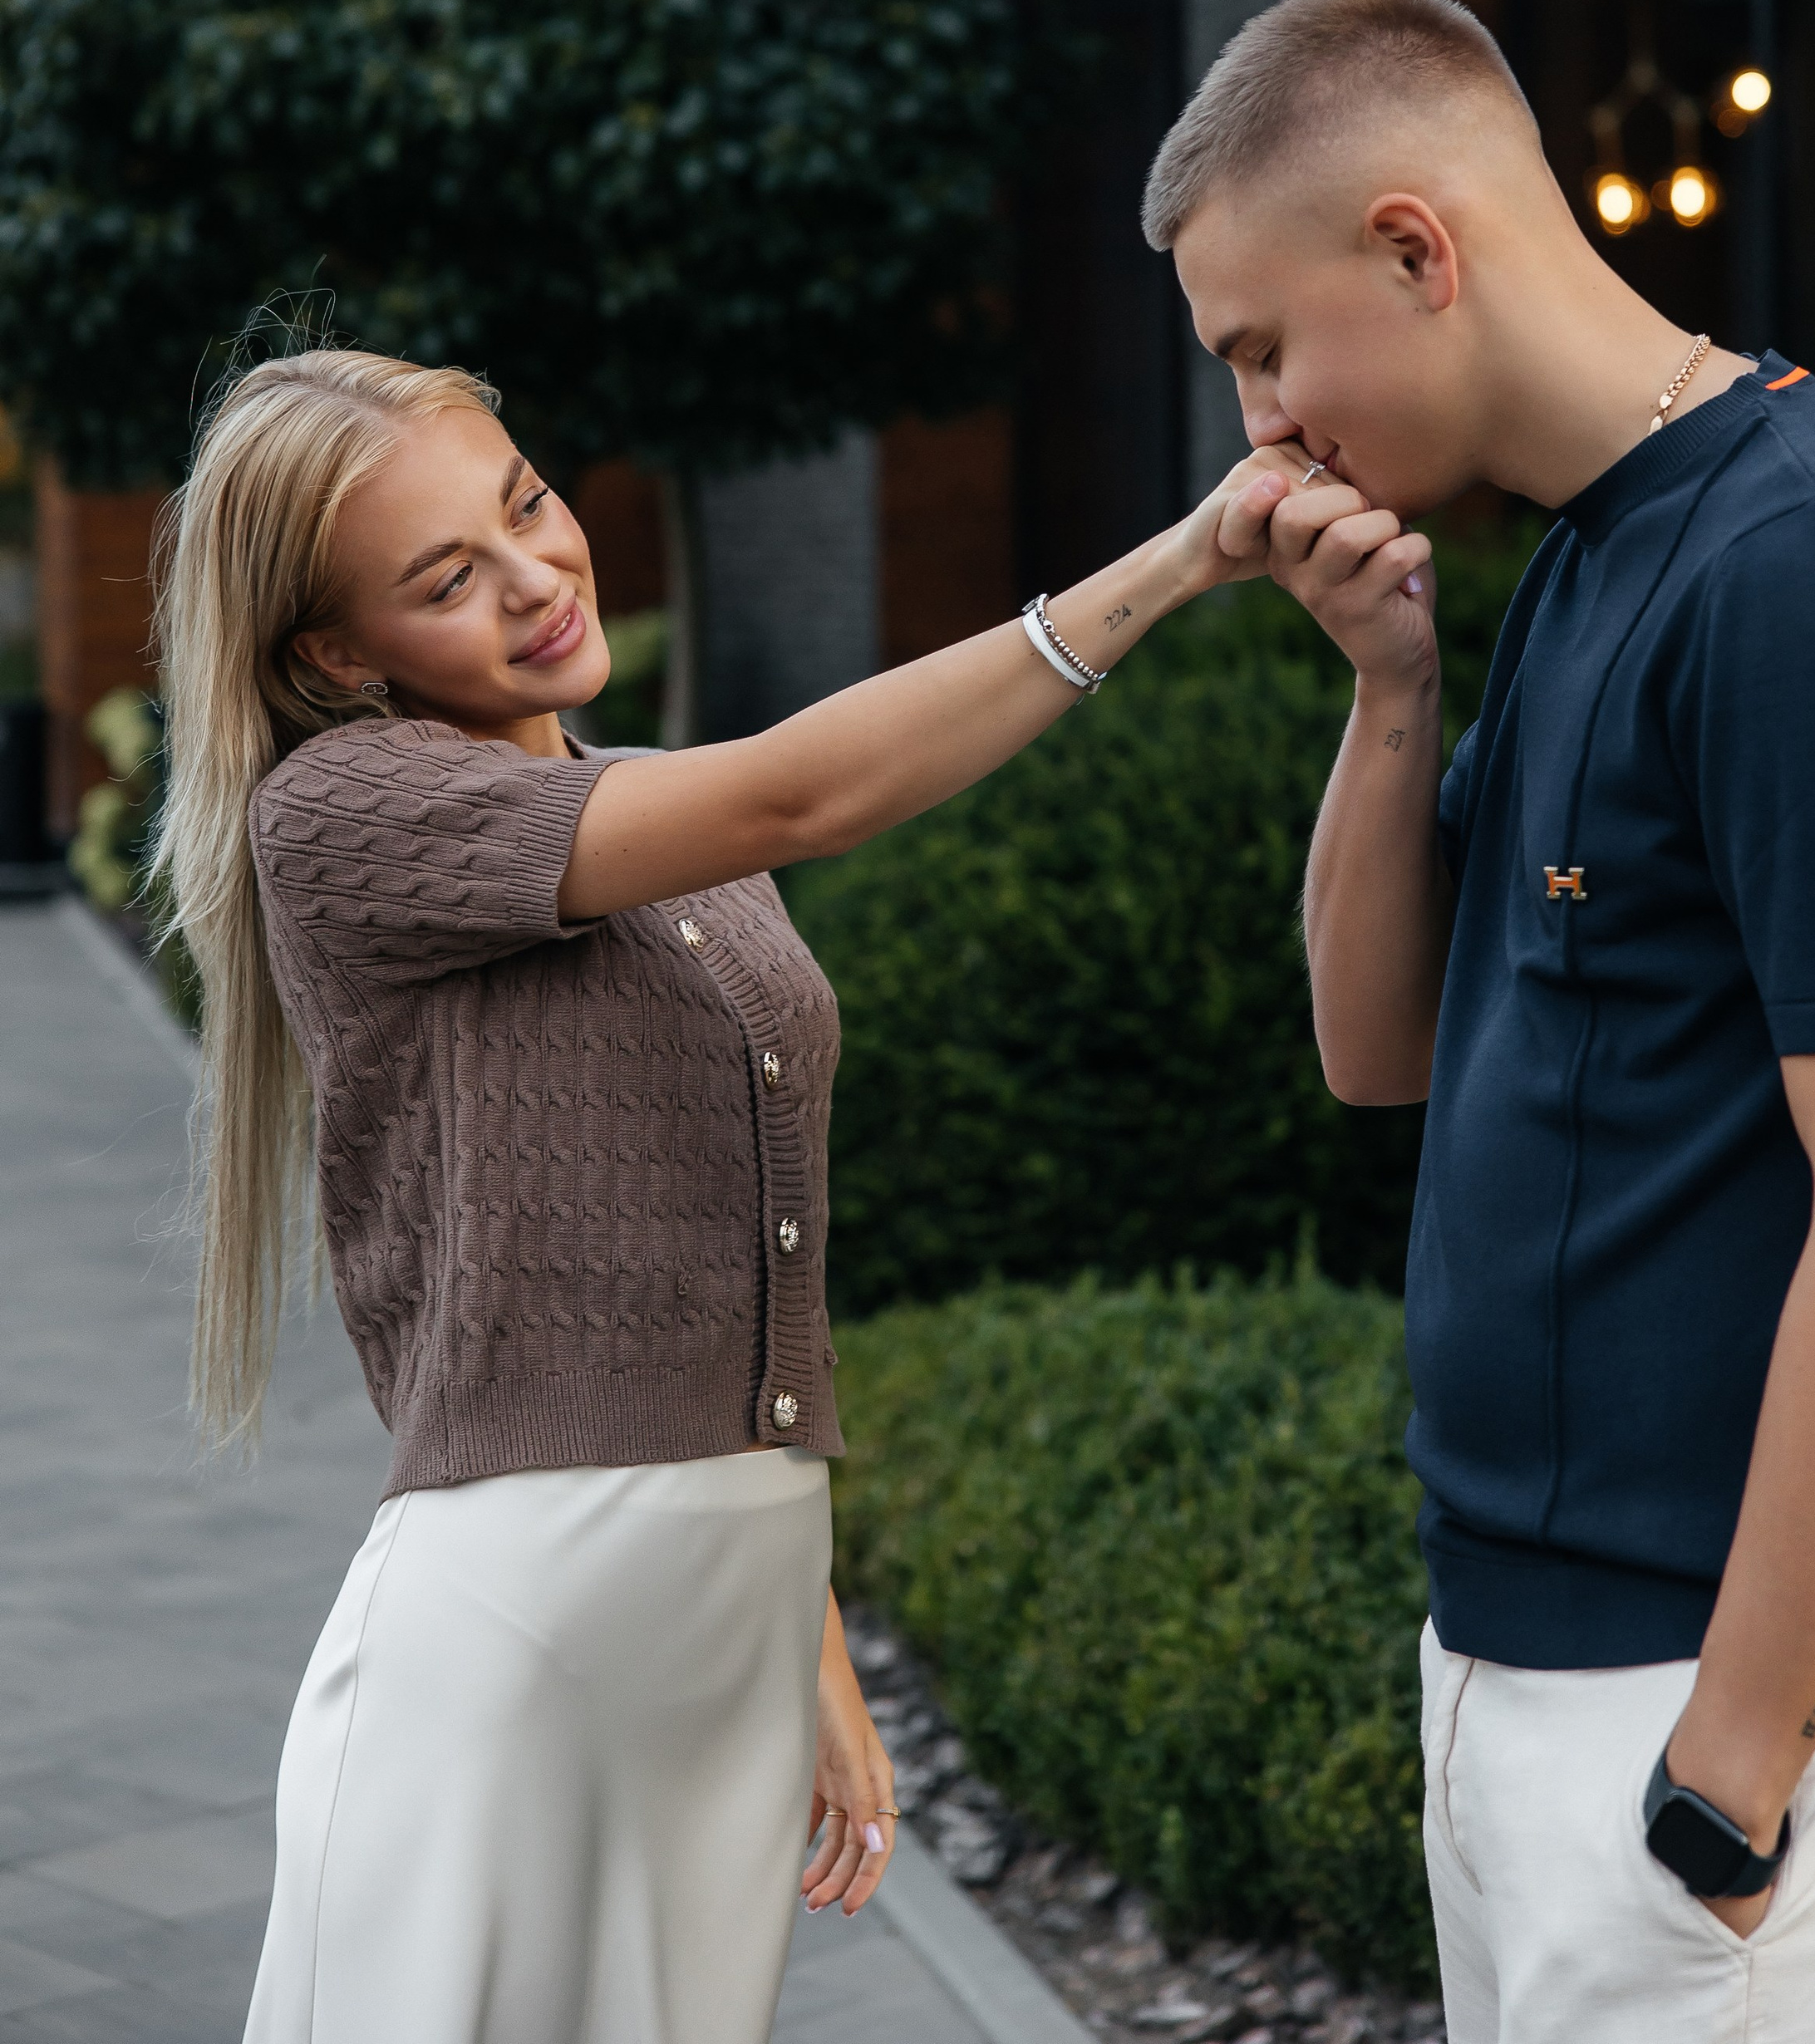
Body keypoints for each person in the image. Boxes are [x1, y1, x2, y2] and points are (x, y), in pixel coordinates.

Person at [1142, 0, 1815, 2044]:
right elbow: (1375, 1050)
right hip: (1524, 1671)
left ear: (1414, 247)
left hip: (1701, 1721)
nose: (1261, 427)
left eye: (1260, 349)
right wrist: (1389, 692)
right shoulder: (1593, 557)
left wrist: (1726, 1786)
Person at [153, 346, 1293, 2044]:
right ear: (334, 652)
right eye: (446, 579)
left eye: (525, 505)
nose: (536, 577)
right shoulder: (344, 814)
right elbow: (807, 788)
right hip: (525, 1612)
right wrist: (1187, 556)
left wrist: (807, 1636)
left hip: (723, 1608)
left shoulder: (638, 815)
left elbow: (707, 1266)